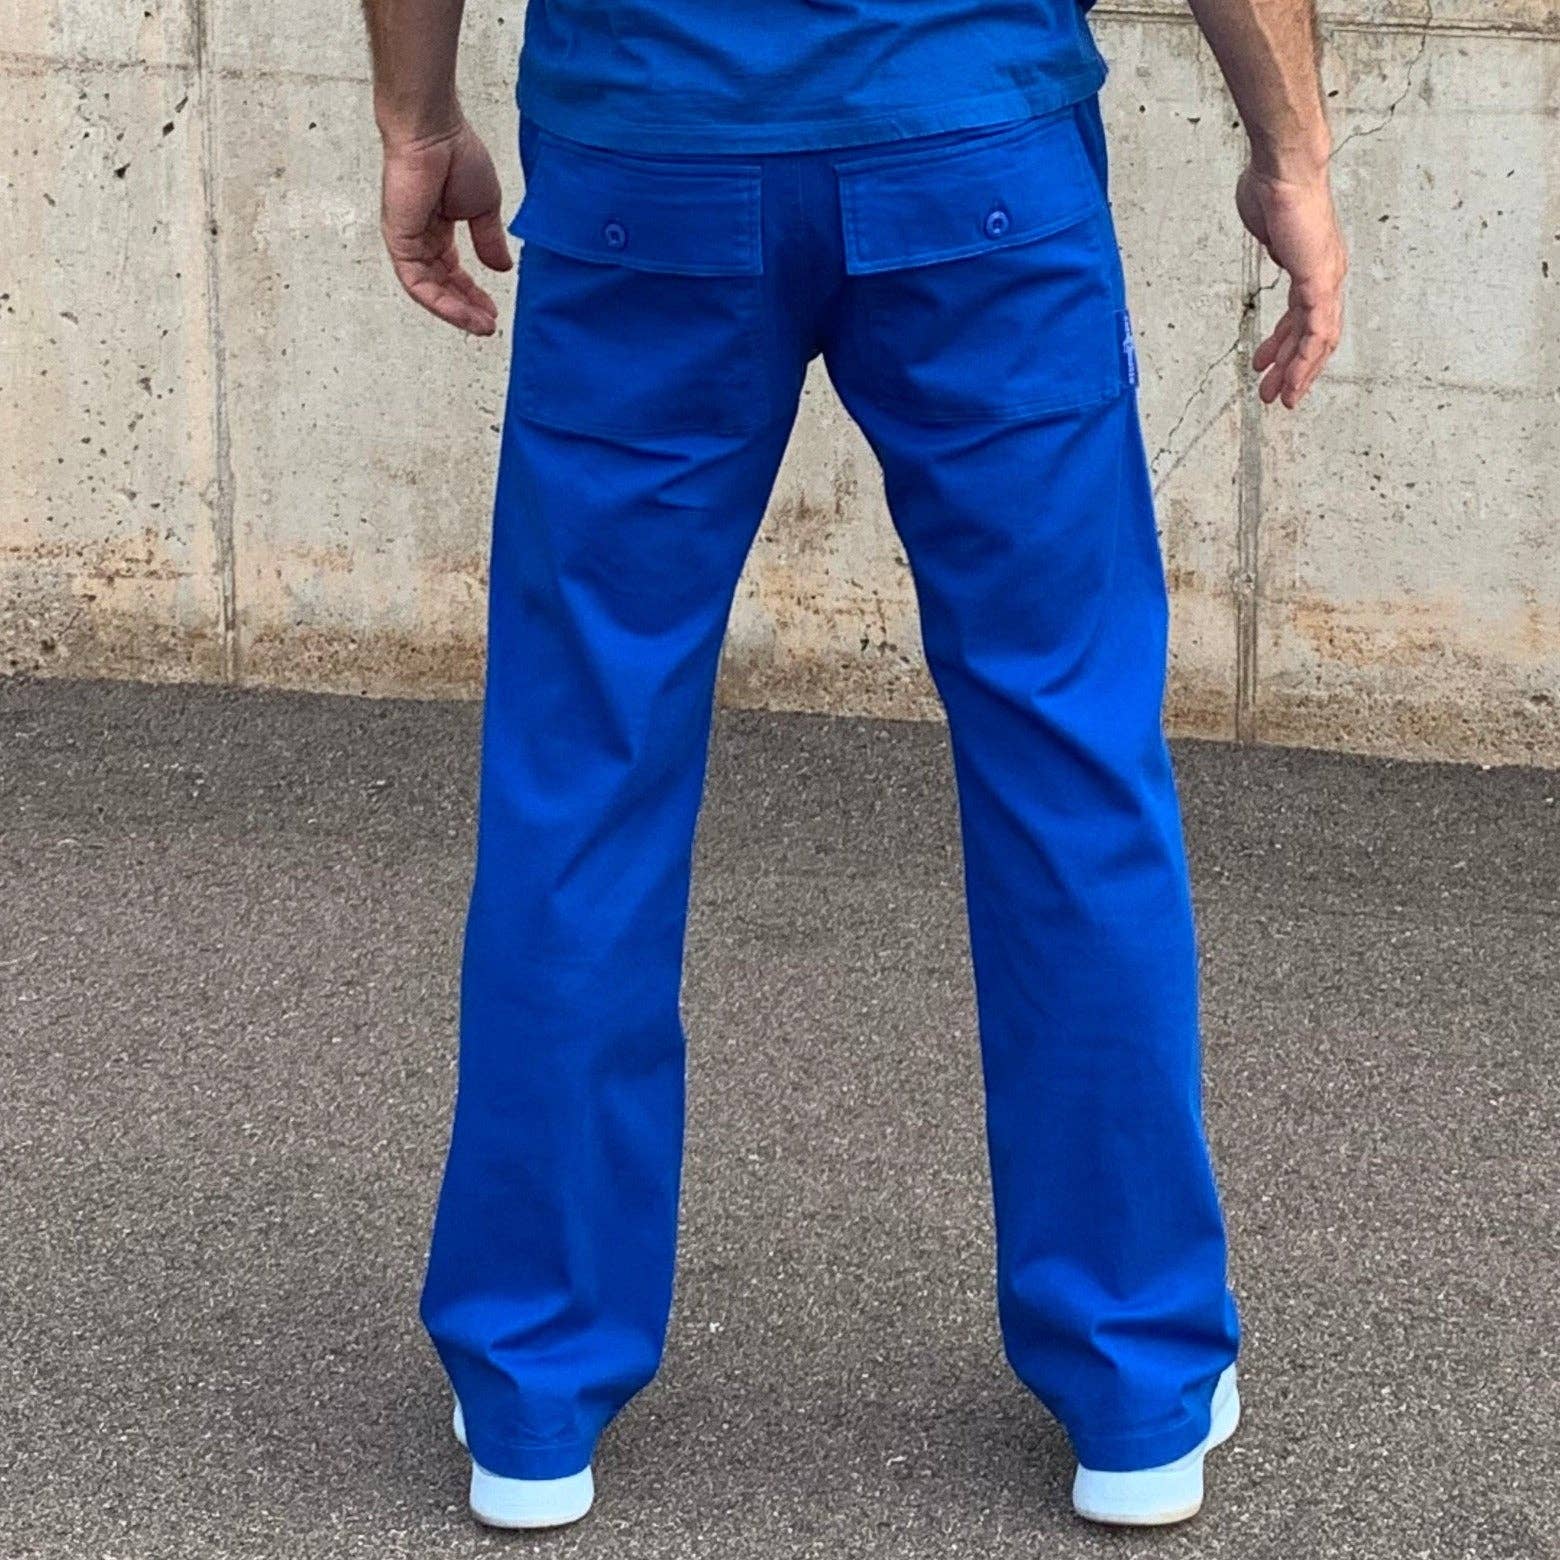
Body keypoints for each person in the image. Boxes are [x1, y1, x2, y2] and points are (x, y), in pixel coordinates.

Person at [361, 0, 1345, 1530]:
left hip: (648, 149)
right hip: (974, 145)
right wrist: (1291, 155)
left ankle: (532, 1395)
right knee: (1067, 758)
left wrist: (418, 122)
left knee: (583, 765)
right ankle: (1135, 1385)